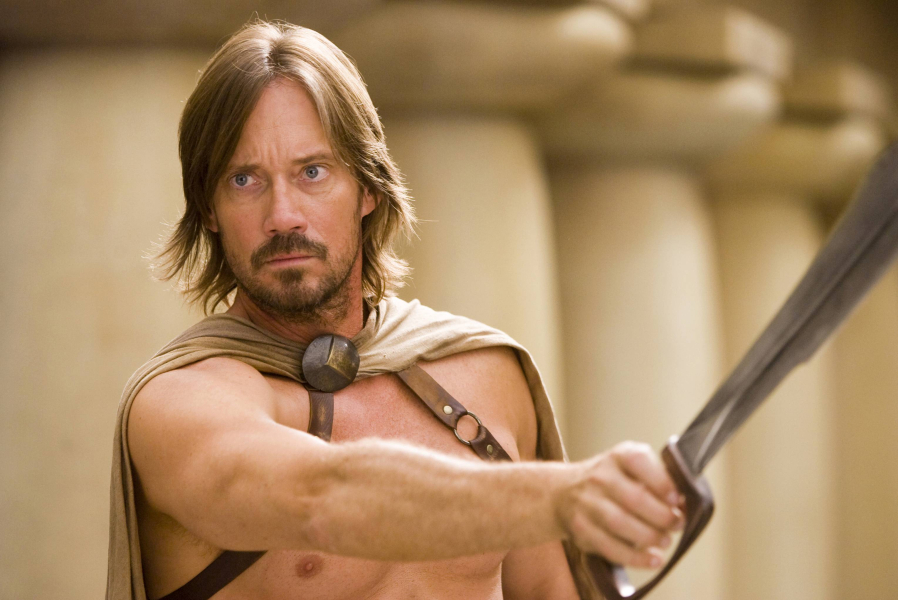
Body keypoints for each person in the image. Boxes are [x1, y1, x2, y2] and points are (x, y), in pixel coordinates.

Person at [106, 20, 684, 600]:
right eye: (244, 179)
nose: (282, 216)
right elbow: (320, 499)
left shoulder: (486, 373)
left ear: (368, 187)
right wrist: (562, 498)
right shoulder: (178, 406)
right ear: (209, 208)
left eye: (312, 172)